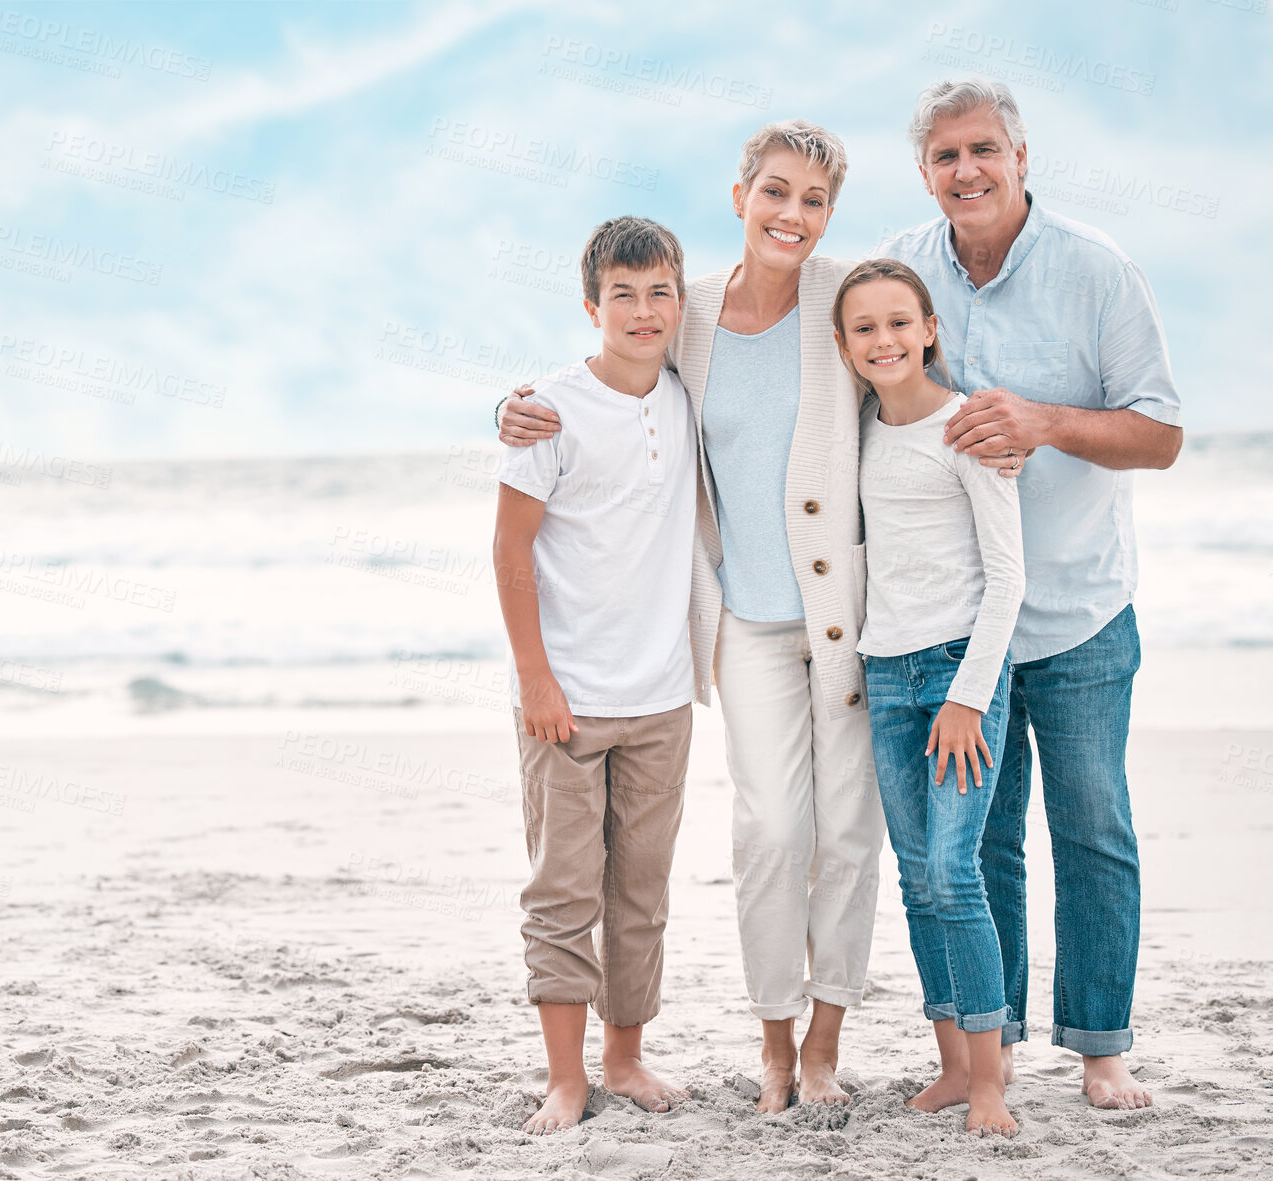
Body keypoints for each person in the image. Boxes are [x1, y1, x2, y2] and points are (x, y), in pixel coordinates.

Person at [497, 122, 1019, 1111]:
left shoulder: (843, 296)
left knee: (851, 837)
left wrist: (1001, 425)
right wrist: (511, 405)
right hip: (739, 621)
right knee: (774, 830)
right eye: (774, 192)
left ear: (830, 215)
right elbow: (609, 370)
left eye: (813, 200)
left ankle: (824, 1042)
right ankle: (773, 1036)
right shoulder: (685, 312)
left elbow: (918, 353)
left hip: (853, 620)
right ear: (739, 195)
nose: (792, 215)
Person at [876, 78, 1183, 1110]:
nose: (967, 171)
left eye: (984, 150)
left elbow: (1161, 432)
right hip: (961, 631)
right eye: (946, 156)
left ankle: (1101, 1049)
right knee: (980, 843)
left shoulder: (1097, 271)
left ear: (1020, 157)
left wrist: (1044, 421)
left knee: (1092, 825)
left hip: (1083, 610)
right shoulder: (901, 272)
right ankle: (985, 1051)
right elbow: (800, 351)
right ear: (922, 173)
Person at [493, 215, 696, 1135]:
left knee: (640, 892)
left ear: (680, 303)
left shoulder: (688, 393)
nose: (643, 310)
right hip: (565, 702)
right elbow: (509, 549)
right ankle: (566, 1076)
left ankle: (625, 1055)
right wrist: (536, 679)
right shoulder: (550, 410)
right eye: (623, 294)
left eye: (659, 292)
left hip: (661, 696)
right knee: (564, 890)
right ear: (591, 306)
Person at [834, 258, 1025, 1136]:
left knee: (955, 872)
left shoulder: (968, 429)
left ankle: (990, 1080)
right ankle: (950, 1065)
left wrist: (968, 696)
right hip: (883, 672)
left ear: (928, 329)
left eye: (898, 323)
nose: (884, 340)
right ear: (843, 345)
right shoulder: (857, 433)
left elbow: (1007, 577)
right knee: (915, 880)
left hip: (958, 677)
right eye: (864, 327)